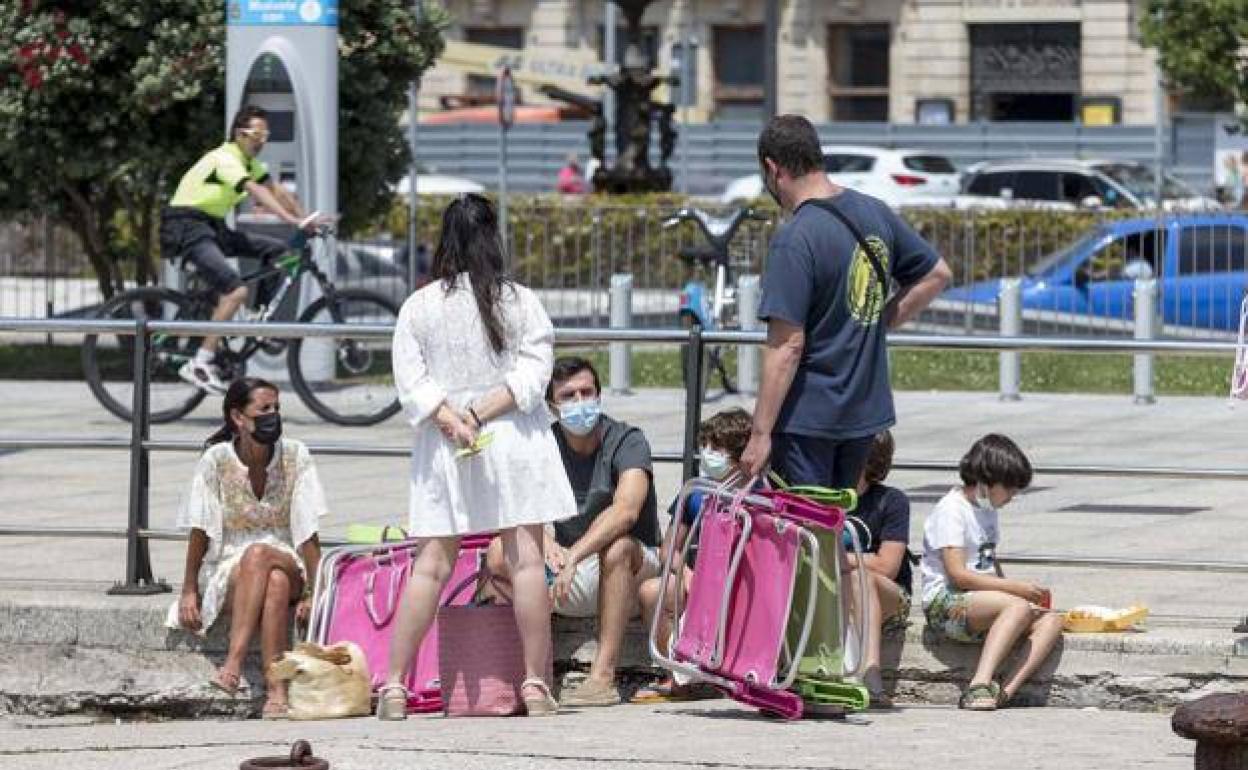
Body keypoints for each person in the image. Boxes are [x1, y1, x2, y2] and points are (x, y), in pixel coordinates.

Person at [381, 193, 577, 720]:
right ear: (493, 236)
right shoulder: (519, 300)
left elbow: (411, 382)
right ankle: (536, 684)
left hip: (447, 443)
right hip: (510, 438)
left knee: (433, 564)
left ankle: (395, 686)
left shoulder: (418, 306)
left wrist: (452, 417)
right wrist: (481, 412)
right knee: (527, 560)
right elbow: (534, 374)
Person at [739, 114, 952, 488]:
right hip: (863, 412)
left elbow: (787, 344)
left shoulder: (797, 238)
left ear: (773, 169)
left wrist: (760, 433)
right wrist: (880, 318)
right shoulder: (875, 212)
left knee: (808, 532)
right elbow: (938, 274)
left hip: (808, 418)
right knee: (837, 525)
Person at [486, 356, 662, 708]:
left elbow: (626, 511)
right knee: (496, 551)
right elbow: (513, 506)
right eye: (569, 396)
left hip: (630, 565)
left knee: (618, 548)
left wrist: (574, 554)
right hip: (568, 567)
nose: (581, 402)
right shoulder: (542, 444)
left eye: (588, 392)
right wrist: (546, 542)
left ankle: (602, 677)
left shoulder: (627, 440)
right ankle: (526, 672)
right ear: (552, 406)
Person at [165, 377, 328, 720]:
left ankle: (233, 663)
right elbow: (200, 527)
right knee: (274, 584)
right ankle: (276, 691)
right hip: (232, 561)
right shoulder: (216, 460)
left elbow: (308, 531)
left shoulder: (295, 455)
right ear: (238, 418)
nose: (274, 416)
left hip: (287, 555)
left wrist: (315, 590)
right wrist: (189, 589)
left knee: (263, 557)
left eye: (277, 409)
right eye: (264, 409)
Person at [160, 104, 330, 394]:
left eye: (266, 134)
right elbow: (256, 191)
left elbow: (276, 190)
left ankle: (257, 318)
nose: (262, 140)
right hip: (187, 226)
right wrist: (292, 221)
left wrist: (306, 218)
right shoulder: (225, 158)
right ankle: (200, 363)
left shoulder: (250, 163)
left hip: (213, 227)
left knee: (279, 253)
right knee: (235, 291)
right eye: (257, 134)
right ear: (240, 134)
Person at [919, 434, 1063, 711]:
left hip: (981, 602)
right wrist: (1016, 590)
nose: (1012, 496)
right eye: (1008, 488)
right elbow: (958, 575)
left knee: (1051, 621)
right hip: (946, 601)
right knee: (1019, 606)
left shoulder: (987, 511)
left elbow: (989, 564)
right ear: (986, 481)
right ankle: (979, 683)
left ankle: (1006, 690)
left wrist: (1016, 594)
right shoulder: (952, 510)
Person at [634, 407, 752, 703]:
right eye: (705, 446)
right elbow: (669, 549)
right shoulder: (695, 493)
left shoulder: (757, 496)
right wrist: (685, 573)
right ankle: (674, 675)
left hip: (740, 583)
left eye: (718, 448)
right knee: (653, 591)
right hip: (698, 579)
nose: (708, 454)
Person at [842, 430, 912, 709]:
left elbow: (887, 565)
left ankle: (870, 673)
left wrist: (835, 556)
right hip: (838, 591)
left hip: (890, 595)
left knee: (862, 577)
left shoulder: (892, 501)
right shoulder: (828, 498)